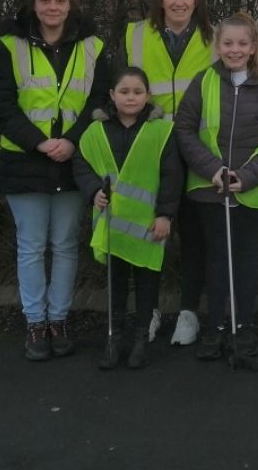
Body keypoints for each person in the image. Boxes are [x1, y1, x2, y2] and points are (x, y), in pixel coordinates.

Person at [0, 0, 109, 361]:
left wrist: (71, 140)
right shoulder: (10, 45)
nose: (52, 8)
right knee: (31, 246)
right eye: (45, 1)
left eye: (59, 0)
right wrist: (39, 142)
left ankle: (59, 320)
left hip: (74, 160)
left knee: (66, 244)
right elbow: (2, 105)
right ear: (34, 5)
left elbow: (100, 101)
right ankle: (35, 325)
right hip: (25, 161)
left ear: (70, 4)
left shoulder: (93, 47)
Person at [175, 10, 258, 365]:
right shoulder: (203, 81)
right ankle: (215, 328)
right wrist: (213, 170)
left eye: (242, 43)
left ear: (254, 47)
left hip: (251, 190)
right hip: (210, 189)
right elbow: (184, 129)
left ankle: (244, 327)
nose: (235, 49)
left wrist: (248, 176)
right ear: (218, 46)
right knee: (216, 259)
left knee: (244, 260)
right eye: (228, 43)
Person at [125, 0, 215, 346]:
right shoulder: (137, 34)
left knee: (194, 236)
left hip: (198, 148)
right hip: (154, 147)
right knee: (152, 233)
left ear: (196, 1)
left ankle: (189, 312)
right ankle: (149, 311)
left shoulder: (213, 38)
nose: (179, 2)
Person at [73, 67, 183, 370]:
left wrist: (165, 215)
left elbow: (172, 176)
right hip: (113, 226)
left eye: (137, 92)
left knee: (147, 284)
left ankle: (139, 340)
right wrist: (93, 190)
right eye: (124, 91)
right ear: (112, 95)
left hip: (149, 226)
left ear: (147, 95)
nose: (131, 97)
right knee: (117, 285)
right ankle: (113, 339)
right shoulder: (96, 131)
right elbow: (81, 164)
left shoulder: (162, 131)